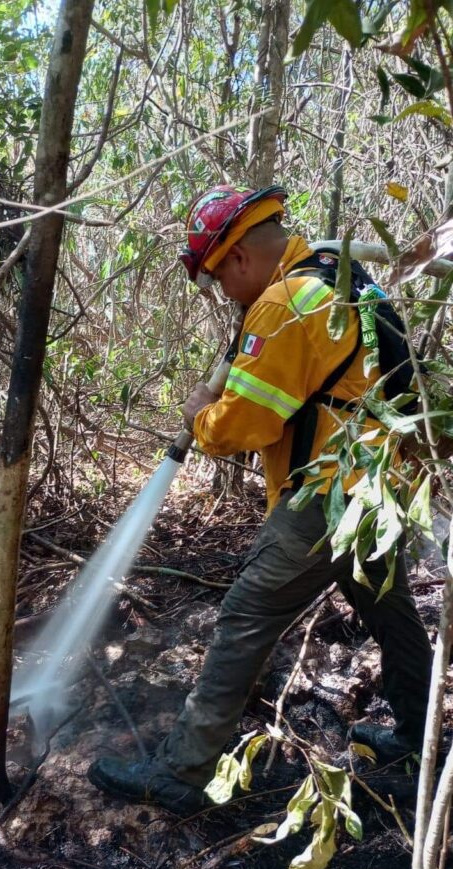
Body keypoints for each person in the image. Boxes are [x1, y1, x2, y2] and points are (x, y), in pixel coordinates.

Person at [88, 184, 432, 814]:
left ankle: (182, 770)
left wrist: (201, 417)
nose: (225, 292)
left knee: (245, 618)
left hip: (327, 496)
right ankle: (421, 742)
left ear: (239, 258)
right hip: (382, 486)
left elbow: (246, 425)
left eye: (220, 279)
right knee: (393, 614)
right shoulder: (346, 279)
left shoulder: (286, 303)